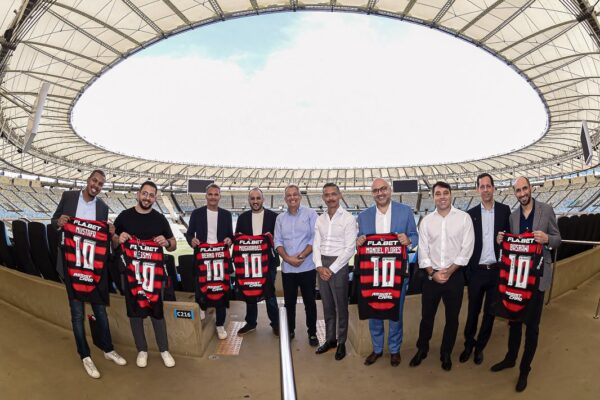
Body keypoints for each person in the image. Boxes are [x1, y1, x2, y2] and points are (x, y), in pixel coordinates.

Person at [51, 169, 126, 379]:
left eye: (101, 184)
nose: (96, 185)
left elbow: (103, 240)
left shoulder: (103, 208)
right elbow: (54, 221)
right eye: (94, 180)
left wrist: (111, 234)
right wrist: (59, 222)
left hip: (93, 268)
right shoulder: (68, 197)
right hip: (70, 265)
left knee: (100, 311)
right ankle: (85, 355)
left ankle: (108, 349)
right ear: (88, 180)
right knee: (77, 314)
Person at [491, 176, 561, 392]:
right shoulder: (513, 217)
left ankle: (524, 369)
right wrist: (501, 241)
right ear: (515, 193)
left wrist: (546, 239)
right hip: (517, 280)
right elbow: (511, 246)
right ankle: (510, 358)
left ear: (530, 188)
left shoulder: (546, 210)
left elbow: (558, 239)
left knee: (532, 327)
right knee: (514, 322)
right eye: (518, 191)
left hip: (537, 278)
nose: (522, 194)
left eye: (524, 189)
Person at [410, 181, 474, 371]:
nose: (442, 197)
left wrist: (450, 270)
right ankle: (422, 349)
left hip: (455, 276)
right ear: (433, 197)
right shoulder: (427, 221)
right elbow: (423, 251)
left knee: (452, 319)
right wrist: (433, 273)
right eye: (438, 194)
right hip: (432, 277)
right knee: (426, 317)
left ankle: (446, 353)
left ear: (450, 194)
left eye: (445, 193)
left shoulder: (463, 218)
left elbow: (467, 249)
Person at [113, 181, 176, 368]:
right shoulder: (124, 216)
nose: (147, 198)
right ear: (138, 194)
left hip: (153, 275)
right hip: (131, 274)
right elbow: (113, 241)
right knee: (134, 311)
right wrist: (118, 238)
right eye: (145, 193)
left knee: (157, 311)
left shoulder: (160, 219)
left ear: (155, 198)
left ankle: (164, 349)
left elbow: (172, 244)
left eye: (151, 195)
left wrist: (166, 242)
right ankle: (142, 349)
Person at [356, 178, 418, 367]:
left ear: (390, 190)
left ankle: (394, 349)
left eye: (383, 189)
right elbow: (358, 240)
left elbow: (415, 236)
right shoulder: (363, 216)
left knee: (395, 314)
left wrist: (409, 240)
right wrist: (358, 241)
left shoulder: (405, 211)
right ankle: (377, 349)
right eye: (376, 190)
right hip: (373, 274)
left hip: (397, 274)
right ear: (372, 194)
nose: (380, 193)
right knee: (374, 311)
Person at [459, 173, 510, 365]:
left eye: (489, 186)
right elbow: (465, 244)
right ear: (478, 189)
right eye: (482, 186)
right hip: (476, 272)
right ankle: (468, 344)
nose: (486, 189)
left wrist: (503, 240)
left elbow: (511, 239)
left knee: (490, 313)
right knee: (472, 312)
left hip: (496, 272)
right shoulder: (469, 214)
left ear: (493, 188)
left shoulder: (505, 211)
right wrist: (468, 273)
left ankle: (480, 347)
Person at [312, 183, 357, 360]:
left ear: (339, 195)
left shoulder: (348, 219)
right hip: (322, 264)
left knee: (341, 306)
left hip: (339, 265)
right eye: (327, 195)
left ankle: (341, 342)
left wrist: (331, 269)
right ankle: (330, 339)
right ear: (323, 197)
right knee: (327, 305)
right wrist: (319, 266)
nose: (330, 198)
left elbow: (350, 248)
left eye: (333, 194)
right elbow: (316, 245)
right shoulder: (320, 219)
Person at [185, 183, 233, 340]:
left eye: (216, 194)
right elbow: (189, 234)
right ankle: (202, 306)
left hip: (220, 259)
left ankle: (220, 324)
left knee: (221, 291)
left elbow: (231, 236)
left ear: (219, 196)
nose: (213, 197)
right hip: (202, 259)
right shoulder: (197, 213)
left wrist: (229, 240)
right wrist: (192, 240)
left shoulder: (226, 215)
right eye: (210, 194)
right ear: (206, 196)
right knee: (200, 288)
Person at [274, 184, 319, 346]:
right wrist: (287, 259)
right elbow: (277, 241)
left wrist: (301, 256)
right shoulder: (280, 218)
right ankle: (290, 330)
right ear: (285, 199)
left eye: (295, 194)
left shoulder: (311, 214)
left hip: (307, 267)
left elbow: (315, 238)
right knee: (289, 303)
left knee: (310, 302)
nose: (292, 197)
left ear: (300, 197)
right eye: (289, 195)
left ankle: (312, 333)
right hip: (288, 269)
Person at [234, 188, 280, 336]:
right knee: (250, 291)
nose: (255, 201)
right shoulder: (242, 218)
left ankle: (276, 323)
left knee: (269, 293)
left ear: (263, 199)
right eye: (252, 198)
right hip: (249, 263)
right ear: (249, 200)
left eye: (258, 198)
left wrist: (271, 239)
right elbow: (237, 238)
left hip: (269, 263)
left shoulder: (274, 217)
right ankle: (251, 322)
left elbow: (279, 239)